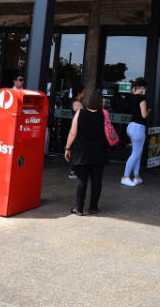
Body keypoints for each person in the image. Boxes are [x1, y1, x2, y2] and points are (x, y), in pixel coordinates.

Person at [64, 86, 110, 215]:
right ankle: (93, 207)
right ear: (100, 100)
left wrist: (67, 148)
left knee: (81, 180)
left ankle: (78, 208)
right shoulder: (104, 114)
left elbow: (73, 133)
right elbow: (108, 132)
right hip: (100, 151)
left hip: (81, 151)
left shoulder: (80, 112)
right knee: (97, 180)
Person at [121, 78, 150, 187]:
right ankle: (125, 177)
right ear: (142, 88)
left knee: (137, 153)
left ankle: (136, 177)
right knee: (136, 153)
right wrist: (149, 111)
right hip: (138, 128)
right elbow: (144, 115)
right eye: (144, 88)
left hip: (131, 126)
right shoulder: (142, 98)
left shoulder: (131, 98)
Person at [67, 87, 87, 180]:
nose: (85, 93)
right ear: (80, 93)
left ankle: (75, 170)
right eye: (84, 92)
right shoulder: (77, 103)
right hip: (77, 129)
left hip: (79, 129)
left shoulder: (78, 102)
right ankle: (73, 171)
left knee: (77, 150)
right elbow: (82, 116)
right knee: (76, 150)